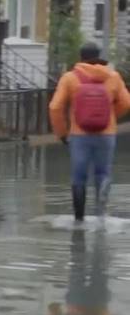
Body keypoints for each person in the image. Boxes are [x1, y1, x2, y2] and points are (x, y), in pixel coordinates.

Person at [49, 42, 130, 222]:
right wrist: (110, 117)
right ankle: (101, 215)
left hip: (79, 135)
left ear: (81, 57)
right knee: (103, 173)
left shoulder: (70, 78)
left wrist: (62, 134)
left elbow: (55, 107)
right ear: (99, 56)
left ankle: (79, 219)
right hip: (106, 134)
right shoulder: (113, 76)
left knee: (79, 176)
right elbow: (126, 103)